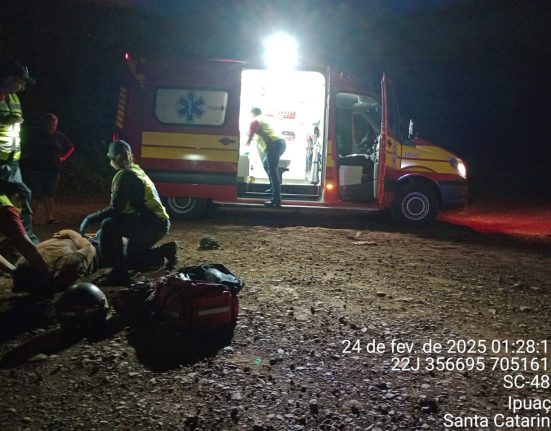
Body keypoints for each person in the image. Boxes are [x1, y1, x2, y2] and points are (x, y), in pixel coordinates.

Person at [79, 140, 177, 285]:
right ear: (130, 155)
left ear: (113, 158)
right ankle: (166, 250)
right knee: (129, 259)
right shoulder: (136, 170)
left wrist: (90, 218)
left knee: (109, 225)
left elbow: (115, 209)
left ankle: (118, 273)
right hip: (157, 224)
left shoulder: (125, 176)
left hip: (151, 225)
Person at [0, 58, 38, 243]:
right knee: (18, 199)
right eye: (20, 82)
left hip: (12, 163)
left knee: (22, 199)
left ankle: (24, 242)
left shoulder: (14, 98)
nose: (22, 88)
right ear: (8, 79)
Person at [24, 113, 74, 224]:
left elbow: (71, 147)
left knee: (49, 194)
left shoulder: (59, 136)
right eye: (50, 123)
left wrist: (63, 158)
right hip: (37, 169)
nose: (52, 126)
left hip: (53, 169)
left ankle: (50, 217)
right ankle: (31, 218)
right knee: (35, 194)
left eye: (54, 124)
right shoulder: (37, 135)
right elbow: (29, 148)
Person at [11, 229, 96, 294]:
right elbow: (89, 248)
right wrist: (70, 233)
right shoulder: (66, 263)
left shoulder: (22, 265)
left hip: (68, 244)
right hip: (86, 247)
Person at [0, 179, 49, 285]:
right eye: (22, 203)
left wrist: (14, 271)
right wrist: (46, 271)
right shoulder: (6, 208)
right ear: (16, 196)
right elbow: (24, 244)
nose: (22, 208)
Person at [245, 107, 286, 207]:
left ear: (253, 113)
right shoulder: (264, 119)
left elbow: (252, 136)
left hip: (273, 144)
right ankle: (273, 187)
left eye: (250, 114)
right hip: (280, 143)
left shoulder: (255, 121)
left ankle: (276, 200)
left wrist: (246, 144)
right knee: (266, 164)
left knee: (272, 171)